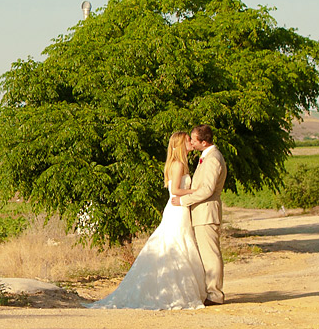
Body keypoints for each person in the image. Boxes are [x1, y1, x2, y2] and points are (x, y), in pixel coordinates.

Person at [89, 132, 208, 310]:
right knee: (175, 245)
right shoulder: (177, 165)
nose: (191, 142)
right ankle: (171, 291)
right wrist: (195, 191)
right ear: (180, 144)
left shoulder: (181, 164)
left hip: (180, 210)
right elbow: (175, 190)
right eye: (187, 140)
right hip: (177, 209)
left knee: (181, 243)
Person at [177, 124, 228, 304]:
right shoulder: (207, 157)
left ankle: (215, 294)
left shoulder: (213, 158)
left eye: (193, 139)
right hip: (202, 212)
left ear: (204, 142)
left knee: (210, 253)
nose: (190, 141)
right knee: (207, 253)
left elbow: (207, 189)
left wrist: (183, 201)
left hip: (207, 212)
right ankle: (211, 291)